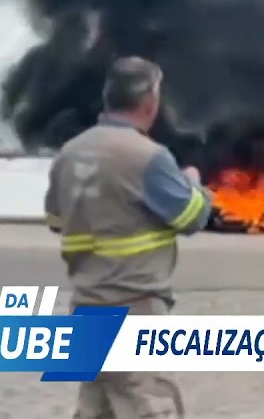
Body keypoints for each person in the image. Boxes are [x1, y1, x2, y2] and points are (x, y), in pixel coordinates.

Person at [46, 57, 214, 418]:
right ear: (150, 102)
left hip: (86, 307)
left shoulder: (70, 153)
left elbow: (57, 220)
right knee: (150, 406)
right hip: (132, 308)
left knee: (95, 409)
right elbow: (192, 217)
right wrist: (194, 183)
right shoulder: (148, 157)